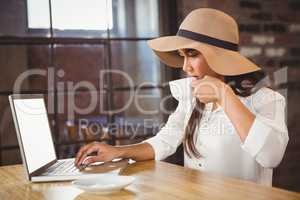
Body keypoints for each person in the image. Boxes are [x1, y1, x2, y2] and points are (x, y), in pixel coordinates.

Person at [74, 8, 288, 186]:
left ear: (221, 57)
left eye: (192, 54)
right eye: (182, 55)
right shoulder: (190, 97)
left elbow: (271, 156)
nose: (185, 66)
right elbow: (165, 140)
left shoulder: (267, 100)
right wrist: (117, 152)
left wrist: (224, 95)